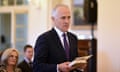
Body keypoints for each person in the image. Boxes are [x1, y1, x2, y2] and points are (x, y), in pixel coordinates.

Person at [33, 4, 86, 72]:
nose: (67, 21)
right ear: (53, 19)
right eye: (63, 18)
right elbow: (37, 67)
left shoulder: (73, 38)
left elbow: (73, 63)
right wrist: (58, 67)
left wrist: (79, 66)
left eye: (69, 17)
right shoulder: (44, 39)